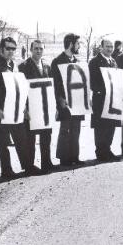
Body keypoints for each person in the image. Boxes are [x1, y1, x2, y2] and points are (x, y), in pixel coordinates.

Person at [0, 36, 36, 178]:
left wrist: (24, 107)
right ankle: (6, 170)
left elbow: (18, 87)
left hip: (15, 108)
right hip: (1, 110)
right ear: (1, 49)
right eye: (8, 48)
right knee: (3, 143)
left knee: (21, 139)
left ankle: (28, 166)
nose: (11, 52)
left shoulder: (13, 65)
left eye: (13, 49)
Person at [18, 39, 55, 173]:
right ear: (30, 50)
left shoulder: (47, 66)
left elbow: (51, 89)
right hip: (30, 107)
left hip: (44, 107)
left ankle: (47, 162)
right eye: (36, 48)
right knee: (30, 138)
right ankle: (30, 165)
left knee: (46, 135)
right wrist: (24, 108)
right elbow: (20, 90)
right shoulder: (23, 66)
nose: (38, 51)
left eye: (41, 48)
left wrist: (53, 107)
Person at [50, 33, 85, 166]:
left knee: (76, 128)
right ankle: (64, 157)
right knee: (65, 129)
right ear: (71, 44)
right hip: (64, 101)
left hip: (77, 101)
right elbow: (56, 83)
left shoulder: (77, 61)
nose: (79, 46)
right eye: (77, 44)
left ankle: (74, 156)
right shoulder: (57, 61)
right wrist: (59, 99)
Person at [88, 38, 122, 162]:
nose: (109, 49)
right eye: (107, 46)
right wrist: (101, 90)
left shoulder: (113, 61)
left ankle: (108, 149)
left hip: (112, 99)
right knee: (100, 127)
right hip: (100, 99)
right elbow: (91, 81)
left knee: (111, 125)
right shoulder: (94, 62)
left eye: (111, 47)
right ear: (101, 47)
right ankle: (100, 152)